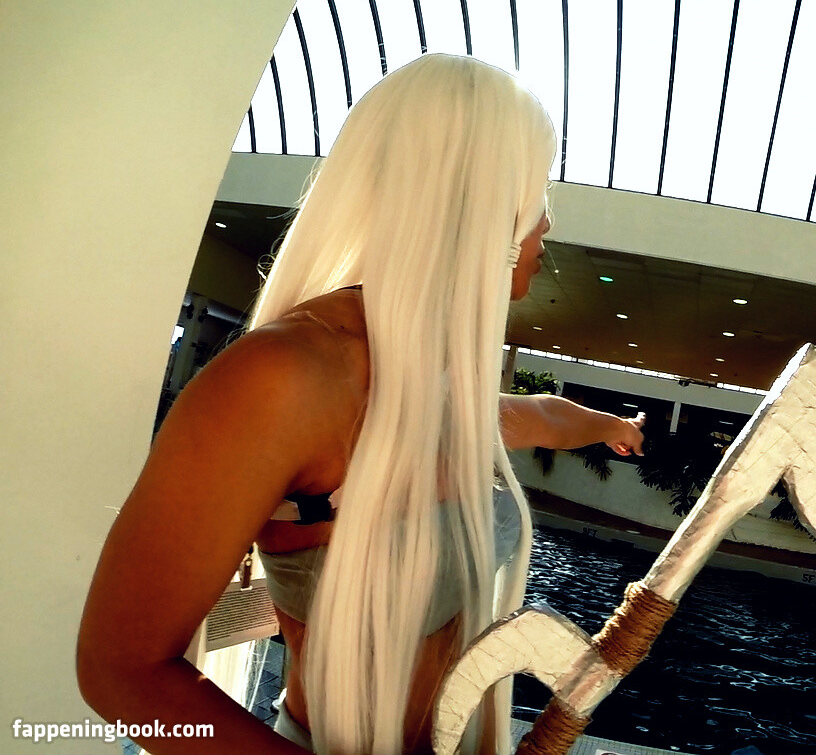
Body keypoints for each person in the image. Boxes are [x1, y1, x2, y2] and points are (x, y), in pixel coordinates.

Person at [77, 54, 644, 755]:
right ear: (473, 198)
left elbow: (542, 416)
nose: (547, 222)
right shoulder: (286, 376)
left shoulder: (428, 384)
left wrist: (615, 426)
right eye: (535, 191)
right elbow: (121, 671)